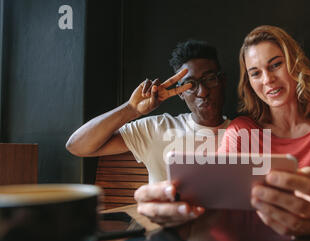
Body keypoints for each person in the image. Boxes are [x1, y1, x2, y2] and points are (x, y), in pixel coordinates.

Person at [218, 25, 310, 237]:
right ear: (249, 83)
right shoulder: (242, 130)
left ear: (294, 64)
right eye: (256, 73)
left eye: (276, 64)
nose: (268, 79)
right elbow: (221, 193)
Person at [66, 40, 231, 226]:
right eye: (190, 85)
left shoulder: (245, 132)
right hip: (163, 236)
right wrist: (131, 110)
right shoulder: (158, 127)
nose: (202, 92)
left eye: (210, 79)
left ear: (222, 81)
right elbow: (77, 146)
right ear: (180, 93)